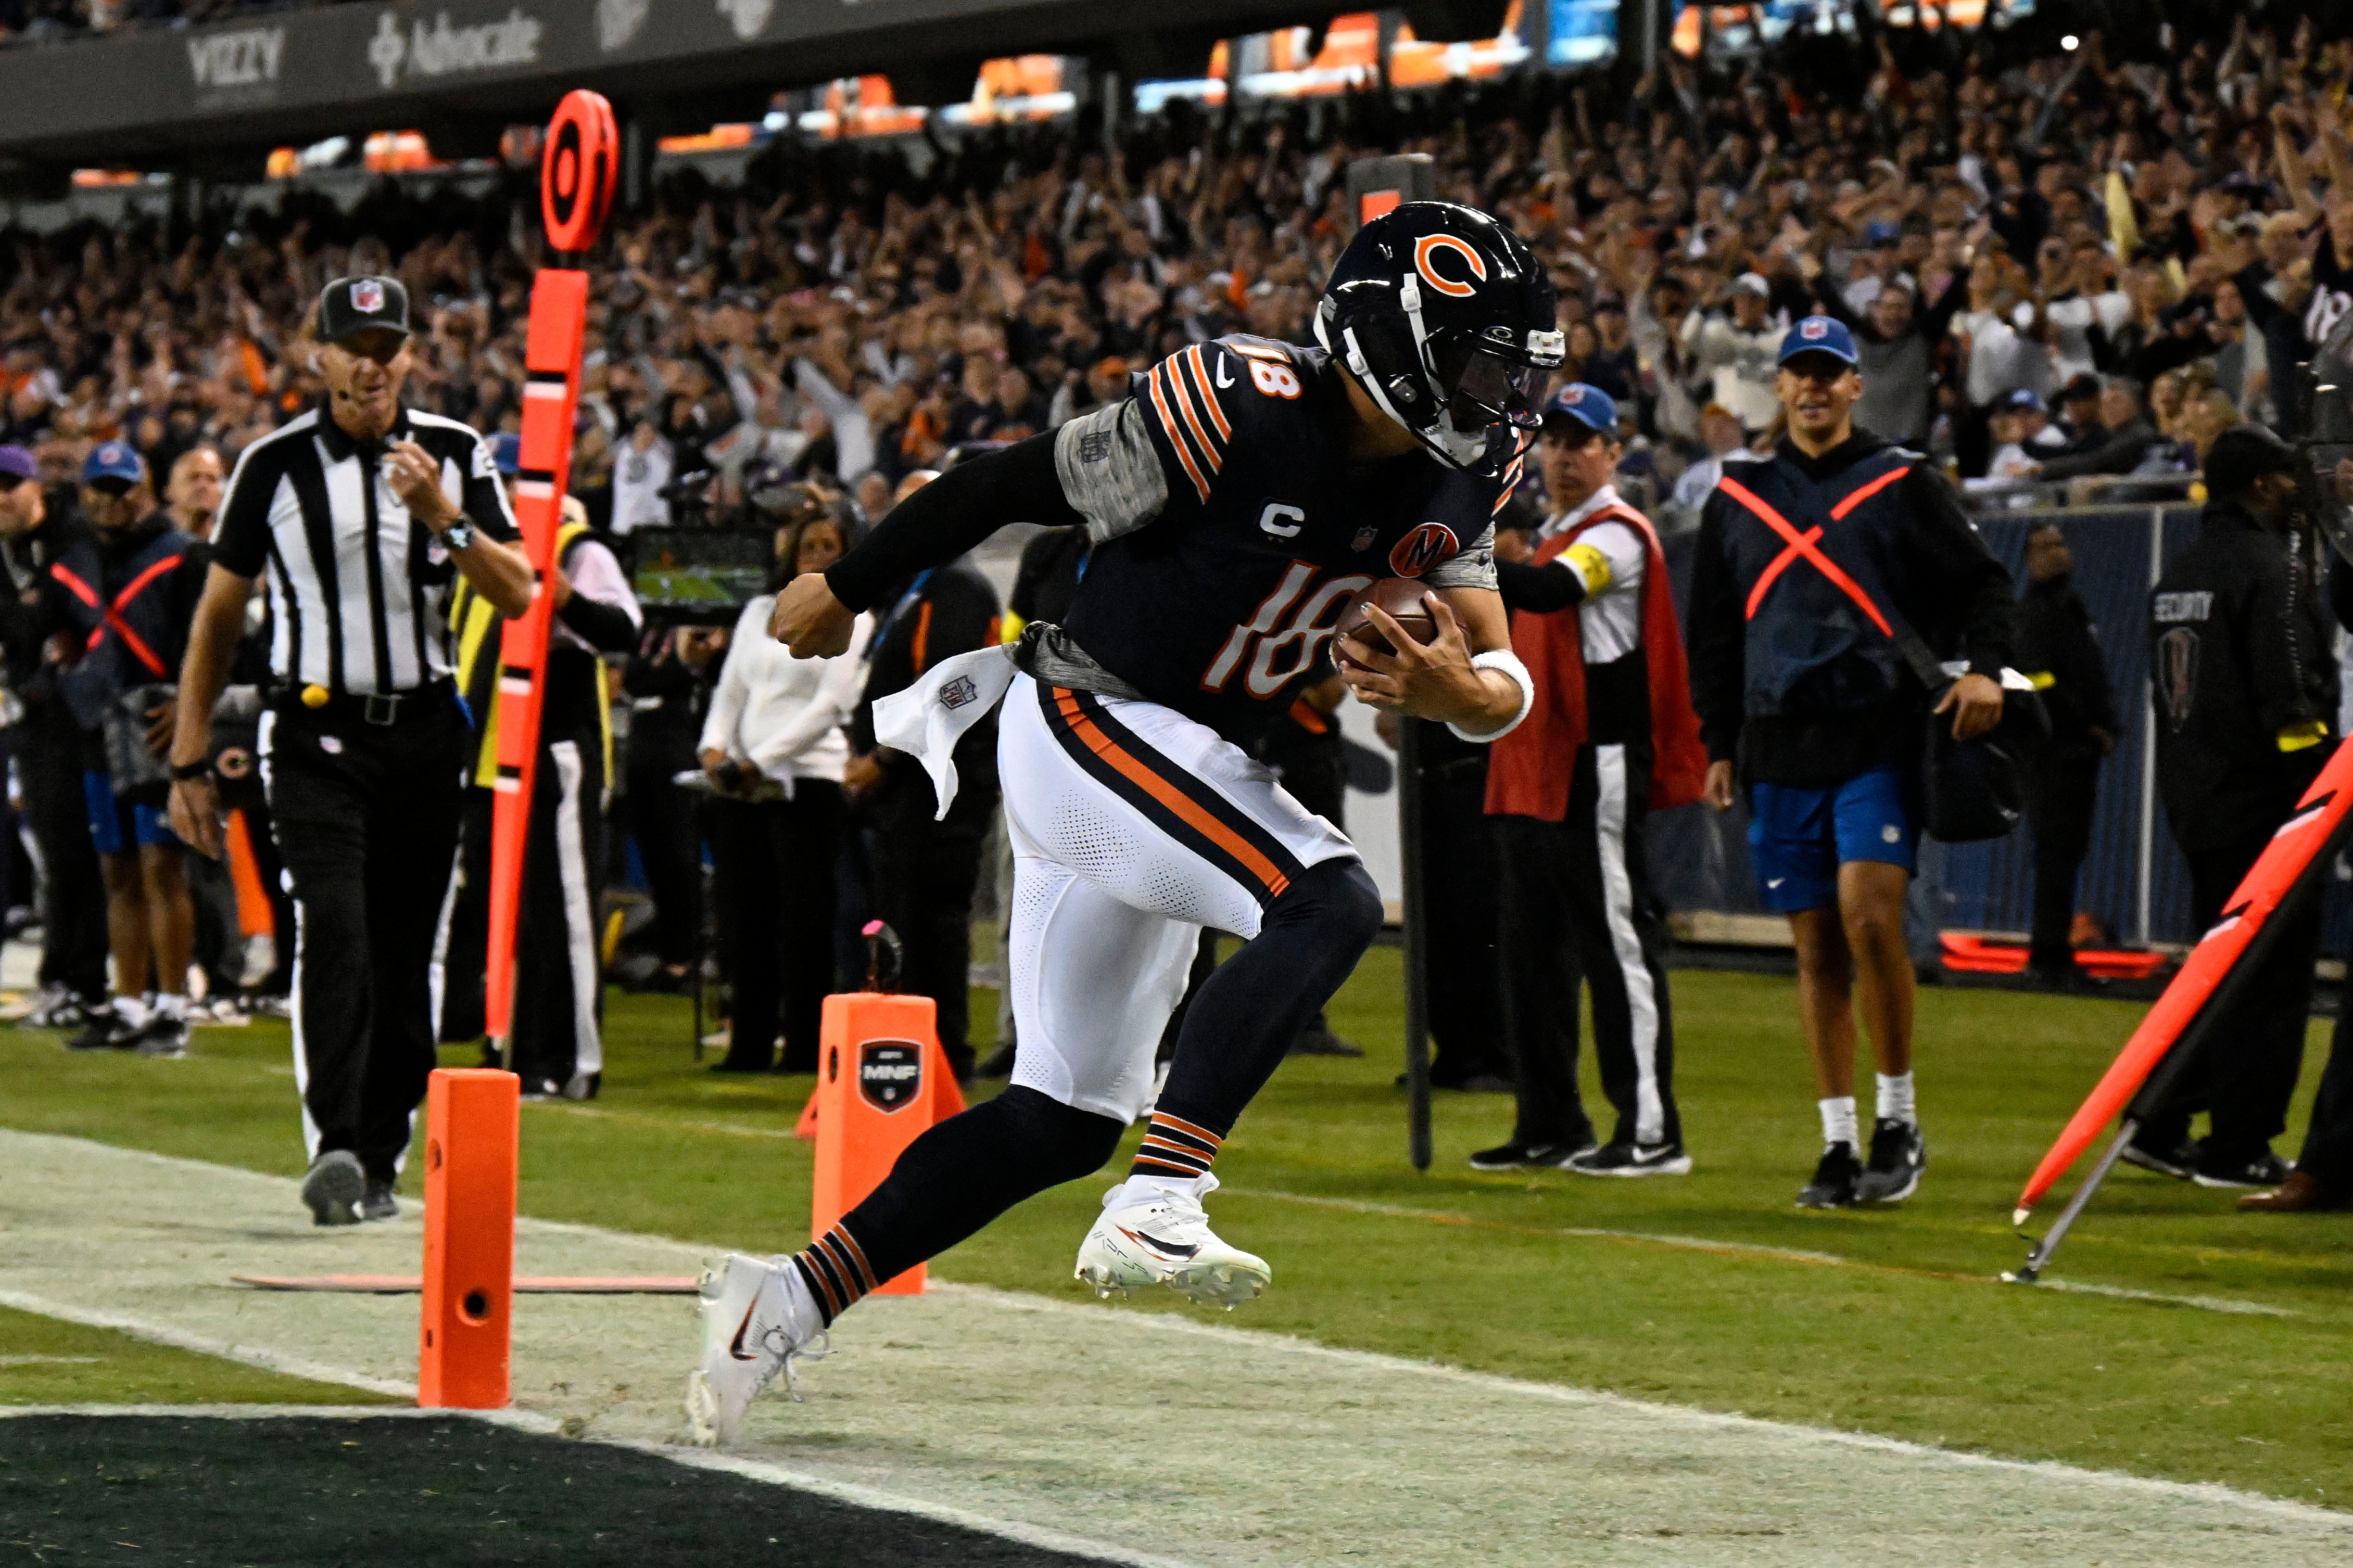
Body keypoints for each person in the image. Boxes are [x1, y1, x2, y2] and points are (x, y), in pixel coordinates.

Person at [688, 201, 1553, 1447]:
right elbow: (1000, 481)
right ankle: (1167, 1191)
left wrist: (1458, 694)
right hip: (1094, 715)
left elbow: (1493, 676)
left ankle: (781, 1300)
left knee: (1061, 1114)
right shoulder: (1237, 406)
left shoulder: (1465, 471)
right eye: (1480, 363)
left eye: (1513, 370)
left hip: (1177, 759)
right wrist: (848, 585)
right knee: (1328, 896)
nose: (1499, 397)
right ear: (1387, 337)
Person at [167, 275, 534, 1227]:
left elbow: (522, 589)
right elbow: (216, 617)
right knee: (334, 926)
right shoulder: (271, 466)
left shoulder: (454, 451)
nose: (372, 362)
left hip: (424, 728)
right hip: (316, 731)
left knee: (409, 948)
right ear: (316, 356)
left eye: (388, 344)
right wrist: (189, 758)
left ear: (410, 353)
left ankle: (379, 1149)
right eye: (353, 345)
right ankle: (335, 1138)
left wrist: (444, 516)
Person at [1687, 316, 2015, 1209]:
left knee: (1870, 916)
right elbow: (1712, 628)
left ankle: (1899, 1117)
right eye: (1801, 373)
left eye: (1831, 373)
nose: (1815, 388)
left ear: (1856, 386)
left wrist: (1984, 670)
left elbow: (1985, 580)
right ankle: (1836, 1140)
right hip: (1775, 740)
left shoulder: (1903, 480)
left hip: (1877, 731)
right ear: (1782, 386)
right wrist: (1717, 740)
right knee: (1815, 947)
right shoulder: (1738, 494)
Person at [1475, 384, 1707, 1176]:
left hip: (1595, 760)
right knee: (1530, 954)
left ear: (1613, 452)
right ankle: (1550, 1121)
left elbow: (1554, 593)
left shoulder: (1617, 536)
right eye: (1556, 442)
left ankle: (1651, 1130)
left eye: (1583, 442)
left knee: (1616, 946)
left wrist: (1458, 556)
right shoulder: (1551, 535)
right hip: (1535, 763)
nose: (1565, 456)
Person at [2131, 426, 2334, 1191]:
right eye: (2287, 477)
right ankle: (2238, 1143)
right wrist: (2318, 787)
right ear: (2259, 486)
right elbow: (2289, 703)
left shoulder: (2178, 572)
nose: (2296, 491)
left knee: (2215, 973)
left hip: (2198, 800)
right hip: (2270, 812)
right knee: (2272, 985)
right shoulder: (2273, 571)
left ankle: (2159, 1119)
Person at [439, 434, 641, 1099]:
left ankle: (568, 1057)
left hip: (553, 743)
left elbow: (624, 629)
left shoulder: (573, 547)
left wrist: (567, 601)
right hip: (488, 754)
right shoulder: (479, 550)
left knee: (566, 913)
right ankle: (512, 1048)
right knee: (506, 913)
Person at [699, 505, 869, 1073]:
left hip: (809, 783)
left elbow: (832, 704)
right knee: (743, 919)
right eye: (809, 546)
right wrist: (714, 749)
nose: (820, 555)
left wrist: (757, 761)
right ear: (790, 555)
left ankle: (803, 1046)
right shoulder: (755, 611)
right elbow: (729, 690)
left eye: (831, 545)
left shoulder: (856, 615)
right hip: (740, 786)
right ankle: (747, 1042)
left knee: (804, 921)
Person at [844, 467, 1001, 1081]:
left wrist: (881, 761)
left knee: (931, 919)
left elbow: (949, 691)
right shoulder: (916, 588)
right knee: (902, 917)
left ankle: (938, 1053)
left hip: (937, 788)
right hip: (908, 788)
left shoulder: (956, 589)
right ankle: (905, 1048)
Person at [54, 443, 207, 1057]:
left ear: (143, 489)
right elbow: (65, 628)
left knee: (161, 866)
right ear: (85, 491)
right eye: (101, 489)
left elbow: (209, 640)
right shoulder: (79, 558)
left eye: (122, 489)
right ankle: (128, 1002)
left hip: (155, 725)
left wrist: (191, 709)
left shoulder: (182, 556)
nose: (111, 501)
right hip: (99, 729)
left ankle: (172, 1006)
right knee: (115, 869)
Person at [0, 442, 108, 1027]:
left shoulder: (71, 542)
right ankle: (61, 974)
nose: (2, 498)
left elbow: (78, 627)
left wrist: (42, 663)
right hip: (32, 716)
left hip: (79, 716)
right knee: (54, 851)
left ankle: (80, 980)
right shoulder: (12, 553)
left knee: (75, 852)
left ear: (36, 486)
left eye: (11, 485)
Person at [2013, 524, 2116, 986]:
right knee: (2055, 857)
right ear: (2030, 559)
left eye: (2061, 544)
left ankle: (2055, 955)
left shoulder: (2073, 610)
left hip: (2078, 751)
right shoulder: (2034, 613)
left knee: (2066, 857)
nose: (2057, 554)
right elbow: (2039, 681)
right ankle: (2048, 958)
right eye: (2045, 547)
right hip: (2051, 752)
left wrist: (2107, 724)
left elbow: (2090, 675)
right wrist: (2086, 725)